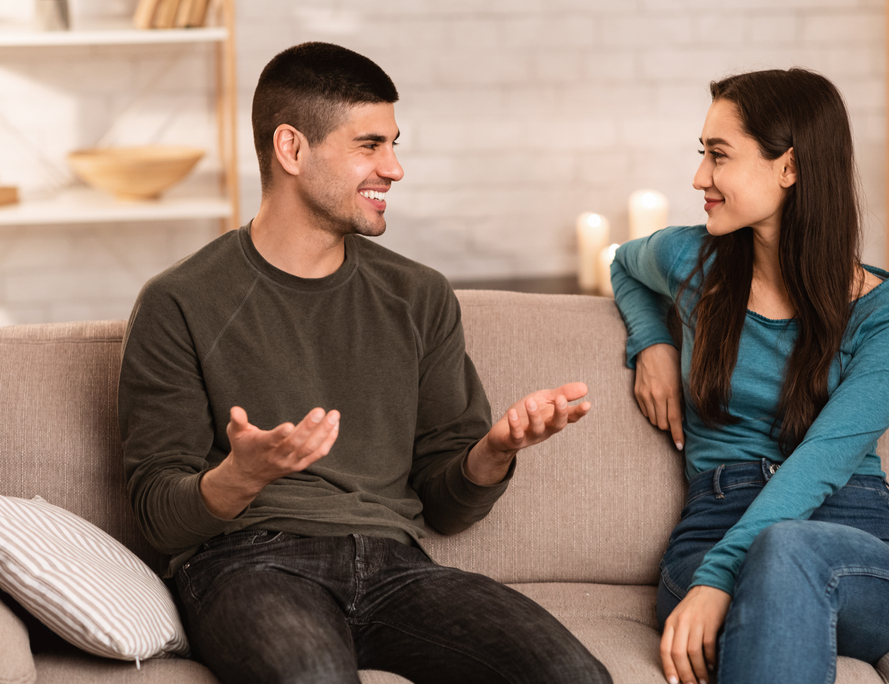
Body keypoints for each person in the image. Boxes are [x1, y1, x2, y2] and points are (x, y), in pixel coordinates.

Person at [119, 42, 611, 684]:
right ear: (291, 149)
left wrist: (492, 451)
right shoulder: (180, 301)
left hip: (396, 566)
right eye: (369, 145)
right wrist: (242, 475)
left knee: (574, 675)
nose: (395, 168)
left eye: (394, 144)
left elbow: (446, 506)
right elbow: (157, 513)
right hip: (248, 563)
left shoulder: (419, 296)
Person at [611, 68, 889, 684]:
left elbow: (822, 458)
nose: (699, 177)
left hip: (858, 539)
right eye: (701, 154)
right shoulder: (691, 261)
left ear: (788, 167)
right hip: (716, 520)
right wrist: (651, 342)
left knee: (787, 549)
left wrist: (719, 579)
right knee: (779, 554)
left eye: (718, 155)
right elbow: (624, 266)